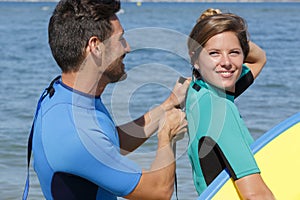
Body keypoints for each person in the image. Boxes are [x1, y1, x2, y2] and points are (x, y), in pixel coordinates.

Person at [22, 0, 190, 199]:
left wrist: (168, 104)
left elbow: (110, 142)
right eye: (120, 39)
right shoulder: (75, 133)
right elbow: (158, 191)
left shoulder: (65, 94)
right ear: (95, 46)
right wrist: (166, 135)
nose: (127, 48)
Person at [185, 9, 275, 199]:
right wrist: (230, 34)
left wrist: (221, 28)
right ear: (195, 58)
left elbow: (259, 59)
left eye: (234, 52)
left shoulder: (197, 92)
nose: (226, 62)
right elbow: (256, 195)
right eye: (214, 53)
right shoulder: (221, 108)